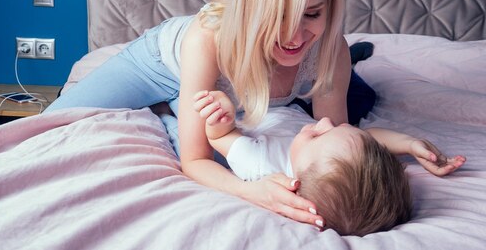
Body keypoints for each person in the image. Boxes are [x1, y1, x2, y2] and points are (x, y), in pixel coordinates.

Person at [45, 0, 375, 228]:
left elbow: (333, 144)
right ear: (250, 5)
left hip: (220, 92)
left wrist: (396, 145)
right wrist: (253, 192)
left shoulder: (331, 50)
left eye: (312, 14)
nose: (294, 36)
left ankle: (172, 109)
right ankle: (169, 102)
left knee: (236, 157)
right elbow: (194, 161)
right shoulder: (207, 38)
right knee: (50, 123)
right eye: (279, 15)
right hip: (162, 64)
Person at [196, 90, 466, 235]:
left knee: (182, 120)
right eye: (336, 128)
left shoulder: (259, 164)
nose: (324, 122)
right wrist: (408, 143)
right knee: (364, 96)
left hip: (259, 109)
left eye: (317, 135)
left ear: (298, 184)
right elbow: (364, 136)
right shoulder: (324, 157)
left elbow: (222, 137)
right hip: (295, 106)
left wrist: (222, 115)